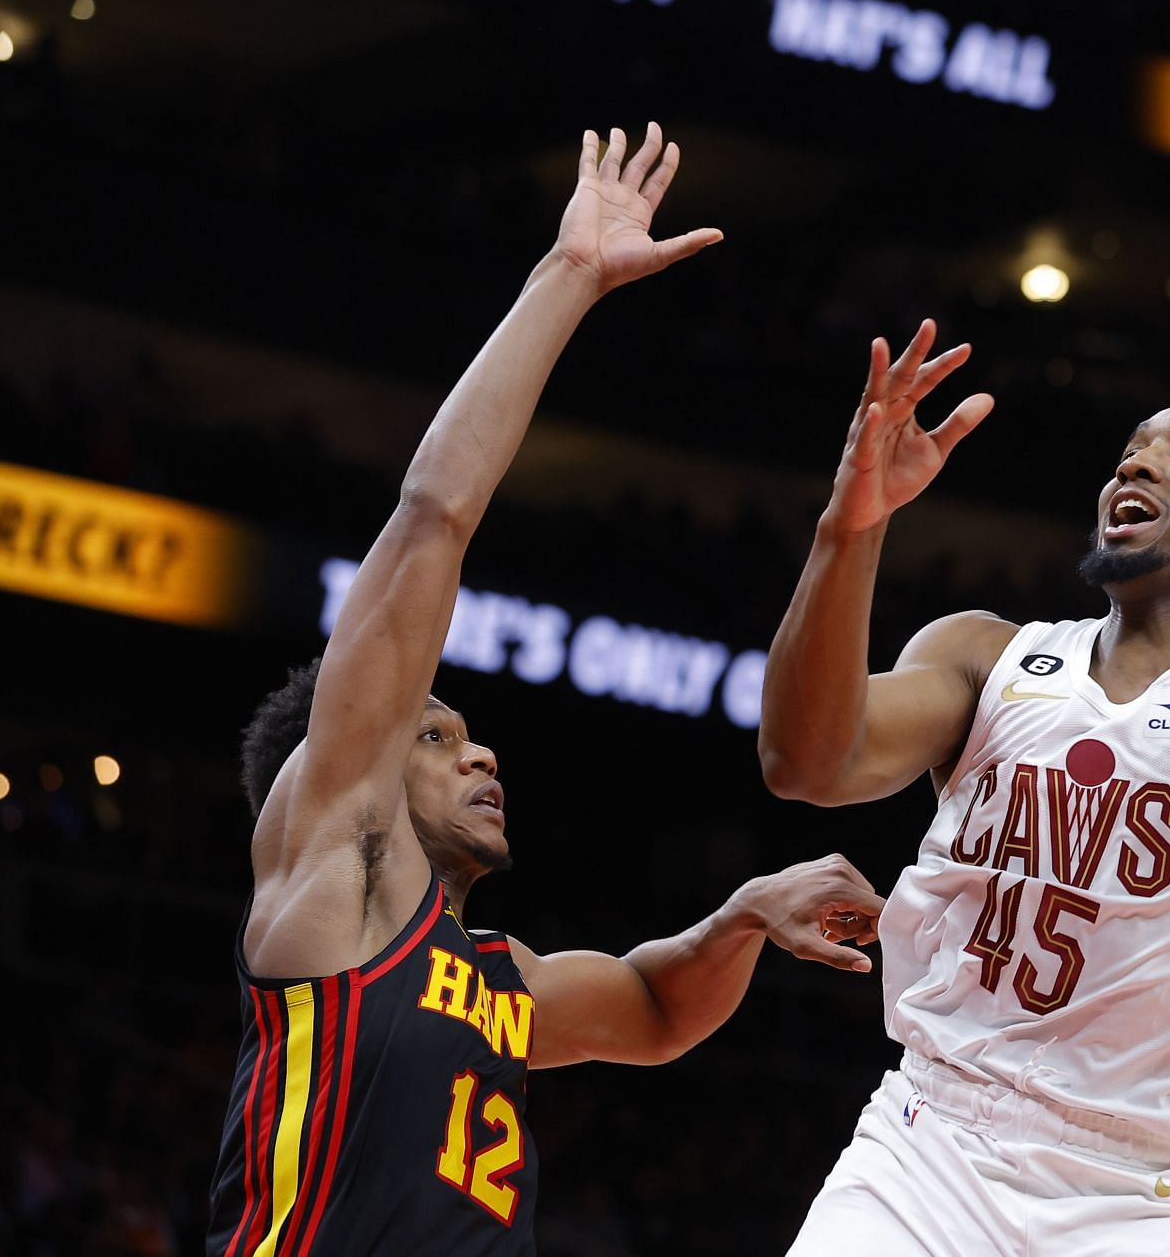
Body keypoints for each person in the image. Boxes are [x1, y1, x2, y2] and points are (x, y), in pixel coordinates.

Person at [204, 123, 885, 1257]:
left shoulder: (497, 977)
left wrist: (741, 916)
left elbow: (659, 1011)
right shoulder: (332, 869)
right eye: (436, 735)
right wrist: (568, 277)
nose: (482, 755)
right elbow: (432, 520)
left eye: (468, 736)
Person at [760, 144, 1170, 1254]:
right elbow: (808, 762)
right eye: (1131, 447)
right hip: (929, 1143)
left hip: (1139, 1194)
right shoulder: (988, 658)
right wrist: (851, 528)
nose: (1137, 462)